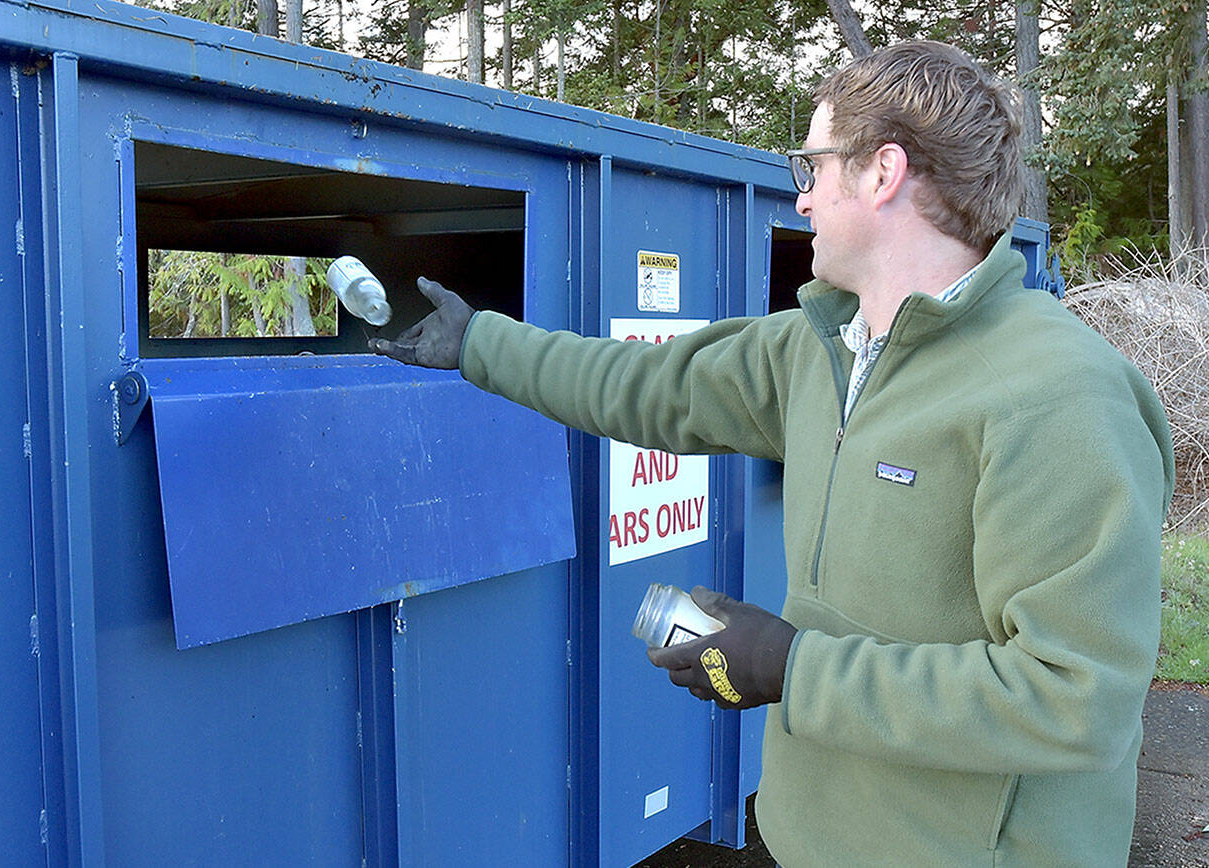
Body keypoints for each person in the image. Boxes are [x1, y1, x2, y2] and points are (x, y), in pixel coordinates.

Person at [370, 41, 1174, 867]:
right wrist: (480, 343)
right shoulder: (824, 347)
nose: (800, 199)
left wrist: (791, 665)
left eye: (814, 165)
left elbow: (1074, 699)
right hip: (817, 838)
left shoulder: (1059, 397)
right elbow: (644, 385)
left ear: (882, 172)